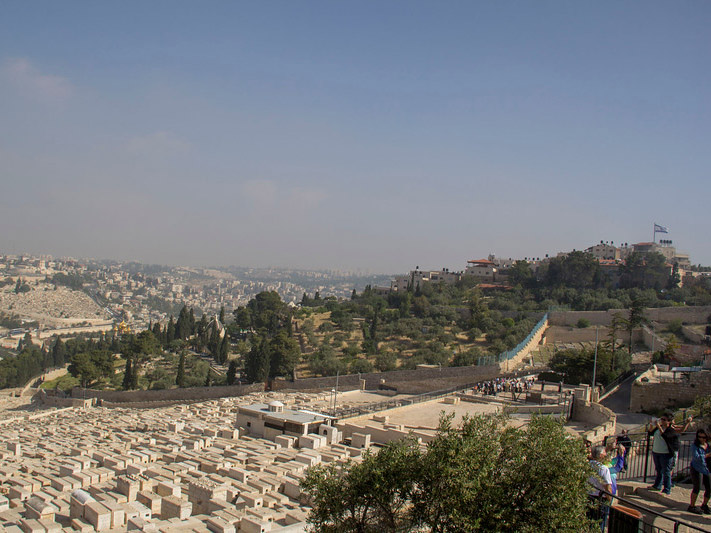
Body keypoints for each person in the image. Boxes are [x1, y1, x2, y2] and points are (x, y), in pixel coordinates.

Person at [647, 414, 679, 495]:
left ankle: (667, 489)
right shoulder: (658, 428)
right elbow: (650, 433)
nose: (662, 421)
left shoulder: (670, 430)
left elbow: (665, 436)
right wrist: (652, 425)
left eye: (664, 419)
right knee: (659, 470)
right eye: (661, 419)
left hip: (665, 453)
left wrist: (658, 426)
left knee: (666, 471)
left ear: (669, 422)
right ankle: (657, 485)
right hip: (656, 451)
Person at [588, 445, 613, 532]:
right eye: (604, 452)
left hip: (589, 497)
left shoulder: (588, 465)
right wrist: (610, 500)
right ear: (600, 455)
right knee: (599, 523)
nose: (606, 454)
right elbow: (608, 487)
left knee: (590, 522)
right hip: (600, 499)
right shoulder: (603, 469)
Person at [688, 429, 711, 515]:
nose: (701, 439)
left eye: (703, 437)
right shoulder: (695, 446)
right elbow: (696, 457)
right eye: (699, 437)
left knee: (709, 488)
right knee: (697, 487)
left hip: (706, 468)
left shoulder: (708, 445)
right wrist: (706, 455)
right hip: (697, 468)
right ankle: (692, 506)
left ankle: (704, 505)